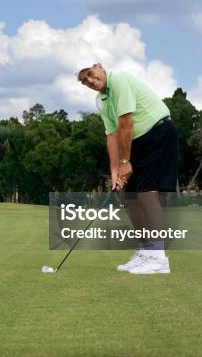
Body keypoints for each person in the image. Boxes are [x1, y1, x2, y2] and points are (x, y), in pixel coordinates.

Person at [76, 61, 179, 274]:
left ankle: (159, 258)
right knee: (129, 198)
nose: (92, 82)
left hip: (157, 133)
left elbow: (126, 123)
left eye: (92, 75)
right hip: (136, 142)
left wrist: (124, 163)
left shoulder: (120, 80)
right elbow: (112, 136)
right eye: (87, 82)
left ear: (100, 67)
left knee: (147, 194)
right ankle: (146, 251)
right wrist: (115, 173)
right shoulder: (102, 101)